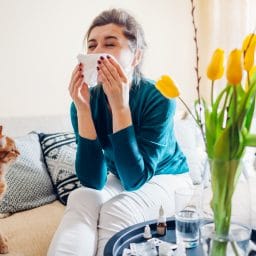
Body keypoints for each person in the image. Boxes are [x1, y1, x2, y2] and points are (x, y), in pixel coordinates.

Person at [47, 8, 192, 256]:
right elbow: (93, 181)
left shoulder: (159, 96)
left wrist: (120, 107)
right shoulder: (85, 102)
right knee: (82, 197)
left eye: (110, 44)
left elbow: (136, 178)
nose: (97, 53)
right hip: (123, 176)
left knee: (118, 209)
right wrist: (83, 110)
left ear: (135, 57)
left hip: (166, 176)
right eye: (91, 46)